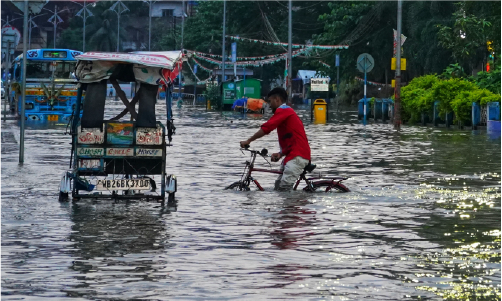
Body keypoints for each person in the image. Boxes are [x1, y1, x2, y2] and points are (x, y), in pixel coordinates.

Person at [240, 87, 311, 190]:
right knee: (278, 188)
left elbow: (267, 128)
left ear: (277, 99)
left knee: (284, 189)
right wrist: (280, 154)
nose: (269, 105)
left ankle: (295, 204)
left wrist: (248, 140)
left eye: (270, 101)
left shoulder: (284, 110)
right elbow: (291, 139)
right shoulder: (285, 113)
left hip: (298, 156)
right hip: (293, 155)